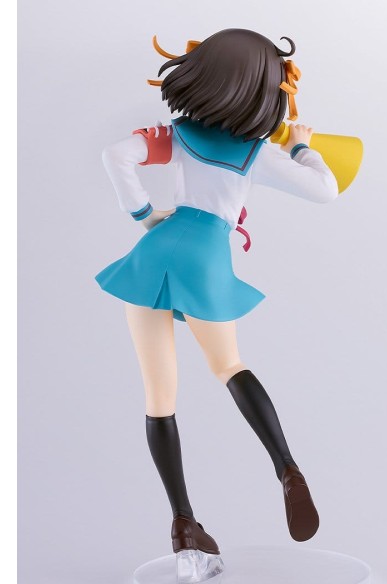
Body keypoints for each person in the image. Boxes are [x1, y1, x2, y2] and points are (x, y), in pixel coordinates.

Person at [95, 28, 338, 559]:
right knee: (228, 365)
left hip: (151, 255)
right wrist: (300, 148)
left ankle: (184, 524)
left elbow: (116, 155)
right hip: (205, 257)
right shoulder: (255, 153)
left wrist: (144, 214)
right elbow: (326, 191)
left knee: (159, 397)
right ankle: (288, 470)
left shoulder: (176, 134)